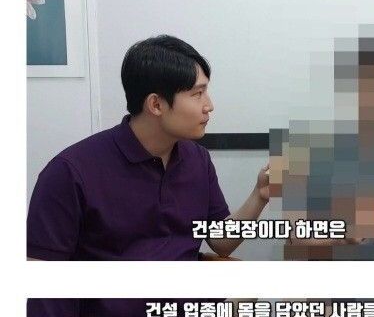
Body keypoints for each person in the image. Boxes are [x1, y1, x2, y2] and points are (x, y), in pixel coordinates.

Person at [27, 35, 269, 260]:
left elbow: (220, 241)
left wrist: (259, 195)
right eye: (197, 94)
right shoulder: (70, 172)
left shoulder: (197, 159)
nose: (209, 105)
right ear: (156, 105)